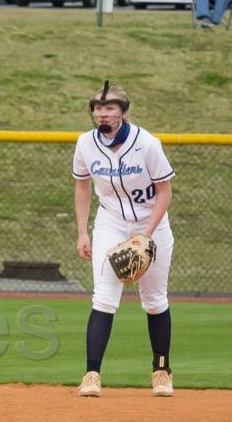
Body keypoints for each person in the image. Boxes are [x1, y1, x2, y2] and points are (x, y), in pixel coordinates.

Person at [72, 82, 176, 398]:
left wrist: (145, 237)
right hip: (111, 223)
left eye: (110, 108)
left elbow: (164, 193)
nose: (103, 113)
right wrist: (82, 232)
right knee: (103, 297)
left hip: (151, 224)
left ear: (124, 112)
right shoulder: (86, 144)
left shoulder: (147, 144)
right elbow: (81, 186)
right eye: (98, 108)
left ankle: (161, 371)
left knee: (154, 299)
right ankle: (92, 374)